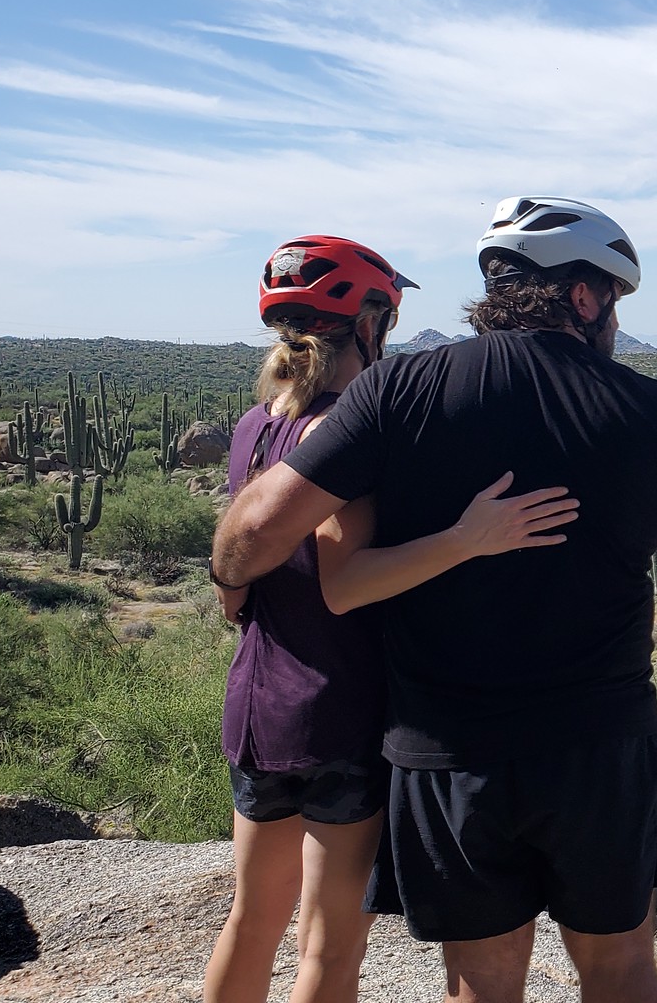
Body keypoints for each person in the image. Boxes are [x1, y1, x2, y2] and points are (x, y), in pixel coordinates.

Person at [211, 199, 657, 1003]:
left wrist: (233, 585)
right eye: (614, 300)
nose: (614, 319)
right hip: (601, 745)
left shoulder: (398, 388)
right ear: (583, 297)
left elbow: (252, 535)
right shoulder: (656, 411)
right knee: (621, 966)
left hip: (447, 753)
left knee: (481, 979)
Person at [207, 235, 580, 1003]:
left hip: (256, 706)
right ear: (370, 320)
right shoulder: (353, 431)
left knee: (250, 920)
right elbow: (347, 584)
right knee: (328, 950)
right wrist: (465, 540)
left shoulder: (257, 425)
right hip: (340, 709)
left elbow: (237, 576)